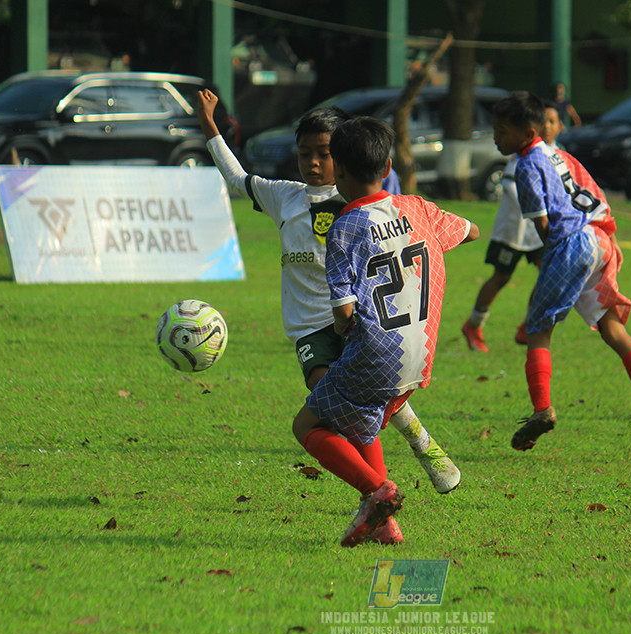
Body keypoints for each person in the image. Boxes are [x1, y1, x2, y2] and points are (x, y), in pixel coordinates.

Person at [196, 90, 462, 505]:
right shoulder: (284, 195)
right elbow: (235, 178)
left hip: (362, 324)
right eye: (305, 153)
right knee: (344, 409)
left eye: (324, 153)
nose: (314, 162)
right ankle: (396, 472)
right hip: (311, 328)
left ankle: (382, 492)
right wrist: (211, 128)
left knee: (348, 414)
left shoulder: (359, 203)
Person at [291, 116, 479, 547]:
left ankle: (378, 492)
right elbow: (472, 231)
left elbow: (342, 311)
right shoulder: (417, 208)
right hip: (424, 354)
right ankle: (384, 524)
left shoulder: (344, 227)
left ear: (337, 167)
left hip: (378, 353)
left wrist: (346, 327)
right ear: (388, 163)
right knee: (366, 424)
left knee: (308, 426)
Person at [491, 91, 631, 454]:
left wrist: (557, 262)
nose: (496, 137)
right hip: (599, 236)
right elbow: (593, 193)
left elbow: (544, 225)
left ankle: (542, 411)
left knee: (537, 329)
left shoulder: (526, 166)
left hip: (572, 245)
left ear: (526, 132)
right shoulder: (557, 153)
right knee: (612, 328)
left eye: (501, 130)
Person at [463, 104, 598, 351]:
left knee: (547, 272)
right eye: (543, 121)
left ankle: (527, 325)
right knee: (501, 277)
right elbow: (512, 188)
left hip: (543, 231)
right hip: (515, 229)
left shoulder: (558, 154)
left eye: (552, 121)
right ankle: (474, 324)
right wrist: (539, 206)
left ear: (560, 126)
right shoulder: (523, 154)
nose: (547, 126)